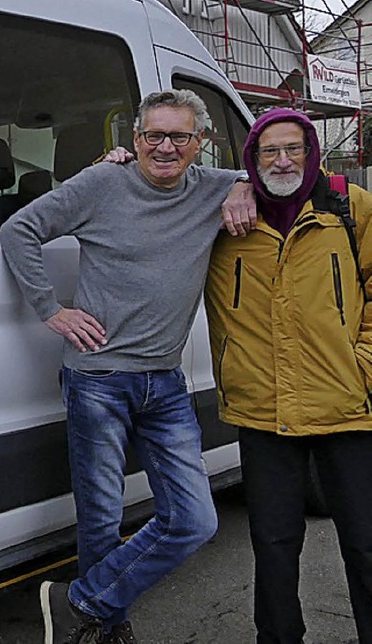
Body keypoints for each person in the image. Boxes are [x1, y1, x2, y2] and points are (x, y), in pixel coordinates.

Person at [0, 88, 256, 644]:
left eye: (179, 136)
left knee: (194, 520)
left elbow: (280, 167)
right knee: (100, 520)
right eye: (153, 135)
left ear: (201, 144)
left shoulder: (213, 188)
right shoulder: (102, 183)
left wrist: (243, 184)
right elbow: (19, 231)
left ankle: (78, 604)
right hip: (97, 378)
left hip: (164, 382)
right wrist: (51, 310)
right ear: (134, 139)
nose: (165, 146)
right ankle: (104, 628)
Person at [203, 108, 372, 644]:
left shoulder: (350, 208)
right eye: (268, 151)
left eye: (293, 149)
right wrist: (112, 159)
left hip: (346, 403)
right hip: (262, 407)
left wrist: (363, 365)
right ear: (251, 159)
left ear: (312, 153)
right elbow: (153, 184)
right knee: (273, 545)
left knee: (366, 541)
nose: (282, 160)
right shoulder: (223, 220)